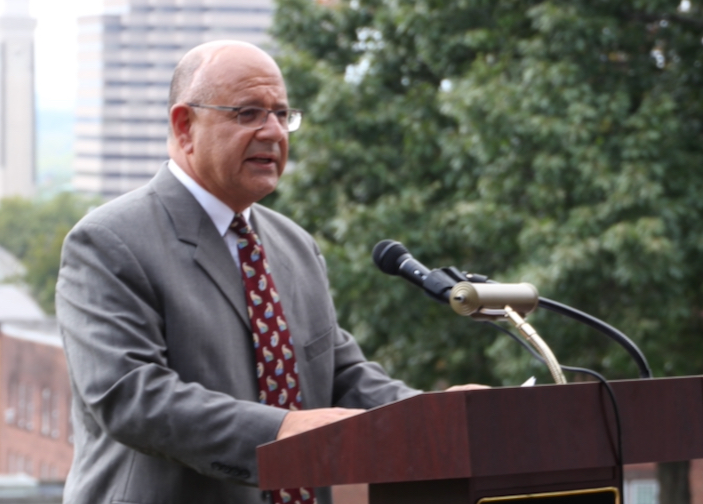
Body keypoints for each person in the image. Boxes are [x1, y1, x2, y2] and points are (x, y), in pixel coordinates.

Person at [57, 40, 478, 504]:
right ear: (185, 125)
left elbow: (341, 377)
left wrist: (436, 415)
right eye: (248, 113)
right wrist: (282, 430)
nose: (274, 132)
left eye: (282, 114)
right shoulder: (109, 241)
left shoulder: (294, 245)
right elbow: (132, 397)